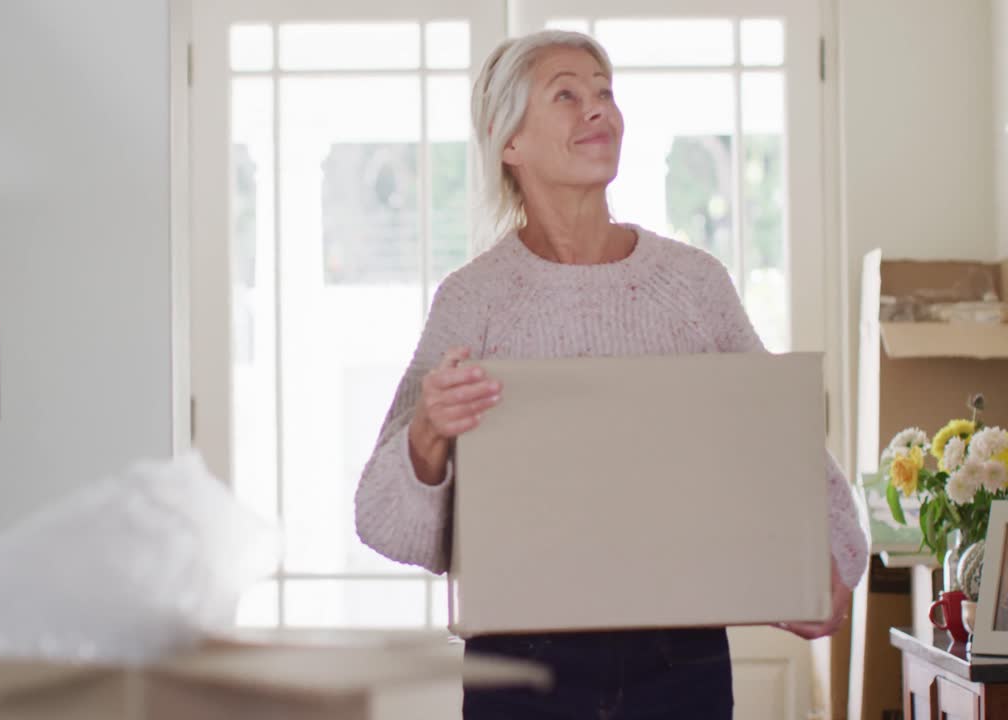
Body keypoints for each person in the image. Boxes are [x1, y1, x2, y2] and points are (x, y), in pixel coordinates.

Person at [353, 29, 869, 719]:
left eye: (605, 92)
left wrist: (829, 557)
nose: (599, 109)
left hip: (681, 658)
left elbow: (775, 437)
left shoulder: (692, 284)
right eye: (567, 94)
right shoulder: (472, 300)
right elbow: (386, 522)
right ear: (508, 142)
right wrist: (427, 435)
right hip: (520, 667)